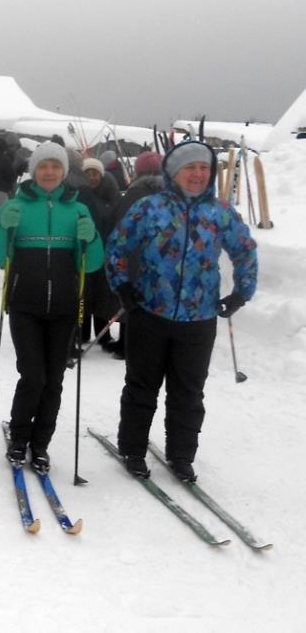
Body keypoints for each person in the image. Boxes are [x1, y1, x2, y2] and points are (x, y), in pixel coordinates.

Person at [106, 140, 257, 482]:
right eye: (190, 167)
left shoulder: (220, 212)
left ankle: (181, 456)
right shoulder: (149, 208)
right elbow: (117, 246)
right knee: (142, 386)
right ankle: (132, 449)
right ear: (174, 173)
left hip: (199, 319)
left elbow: (245, 251)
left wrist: (241, 292)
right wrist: (124, 288)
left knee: (188, 393)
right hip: (148, 312)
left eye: (204, 168)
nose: (198, 174)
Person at [0, 141, 103, 473]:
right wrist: (3, 227)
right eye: (43, 166)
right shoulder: (18, 206)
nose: (49, 172)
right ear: (34, 171)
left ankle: (41, 444)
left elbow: (92, 265)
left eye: (55, 166)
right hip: (25, 305)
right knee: (32, 376)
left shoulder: (77, 209)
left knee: (54, 381)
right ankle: (20, 438)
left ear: (64, 171)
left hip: (65, 308)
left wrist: (91, 238)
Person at [102, 150, 164, 357]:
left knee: (128, 298)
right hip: (159, 257)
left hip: (131, 255)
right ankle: (139, 343)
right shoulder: (169, 196)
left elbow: (114, 222)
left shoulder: (132, 195)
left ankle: (127, 345)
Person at [73, 156, 122, 354]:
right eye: (88, 173)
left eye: (95, 173)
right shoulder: (78, 195)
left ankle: (103, 333)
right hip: (85, 251)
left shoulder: (111, 194)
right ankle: (82, 332)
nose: (92, 177)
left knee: (103, 295)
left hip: (106, 252)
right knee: (84, 293)